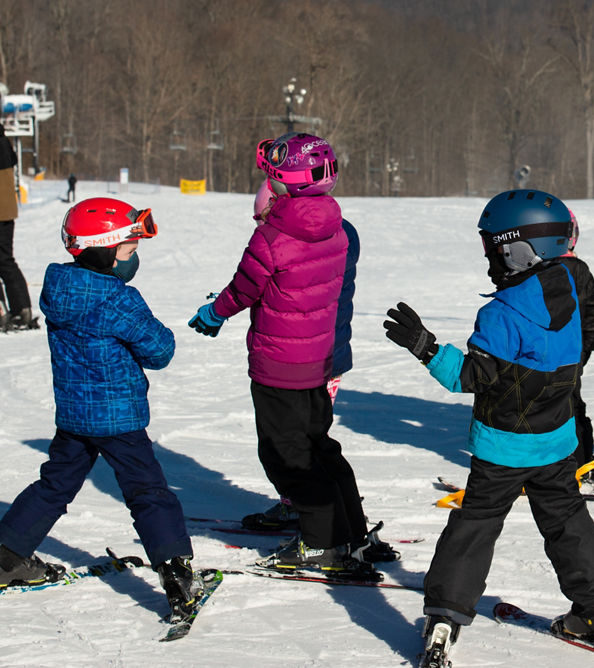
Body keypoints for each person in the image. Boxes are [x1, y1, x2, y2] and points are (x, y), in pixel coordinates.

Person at [384, 190, 594, 664]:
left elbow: (469, 377)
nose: (489, 261)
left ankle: (444, 615)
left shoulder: (501, 313)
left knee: (476, 525)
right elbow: (589, 330)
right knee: (567, 520)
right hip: (558, 439)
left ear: (517, 250)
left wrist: (425, 347)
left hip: (502, 448)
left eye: (493, 250)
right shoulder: (575, 279)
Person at [188, 133, 382, 577]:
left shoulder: (272, 236)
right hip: (317, 363)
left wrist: (214, 313)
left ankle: (322, 543)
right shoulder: (337, 230)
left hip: (278, 366)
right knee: (319, 448)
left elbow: (242, 289)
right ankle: (350, 529)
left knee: (286, 455)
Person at [0, 197, 203, 620]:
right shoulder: (118, 299)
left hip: (74, 416)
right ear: (104, 250)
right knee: (147, 492)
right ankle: (177, 574)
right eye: (129, 252)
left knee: (53, 486)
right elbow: (160, 350)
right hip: (119, 420)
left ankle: (7, 556)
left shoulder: (59, 288)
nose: (133, 261)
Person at [555, 210, 594, 472]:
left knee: (569, 405)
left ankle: (579, 462)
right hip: (560, 355)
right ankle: (573, 461)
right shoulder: (540, 269)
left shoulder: (576, 270)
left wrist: (581, 354)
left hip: (569, 354)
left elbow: (590, 315)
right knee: (567, 404)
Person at [0, 123, 37, 331]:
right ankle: (22, 308)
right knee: (5, 260)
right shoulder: (4, 142)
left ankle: (2, 312)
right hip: (6, 211)